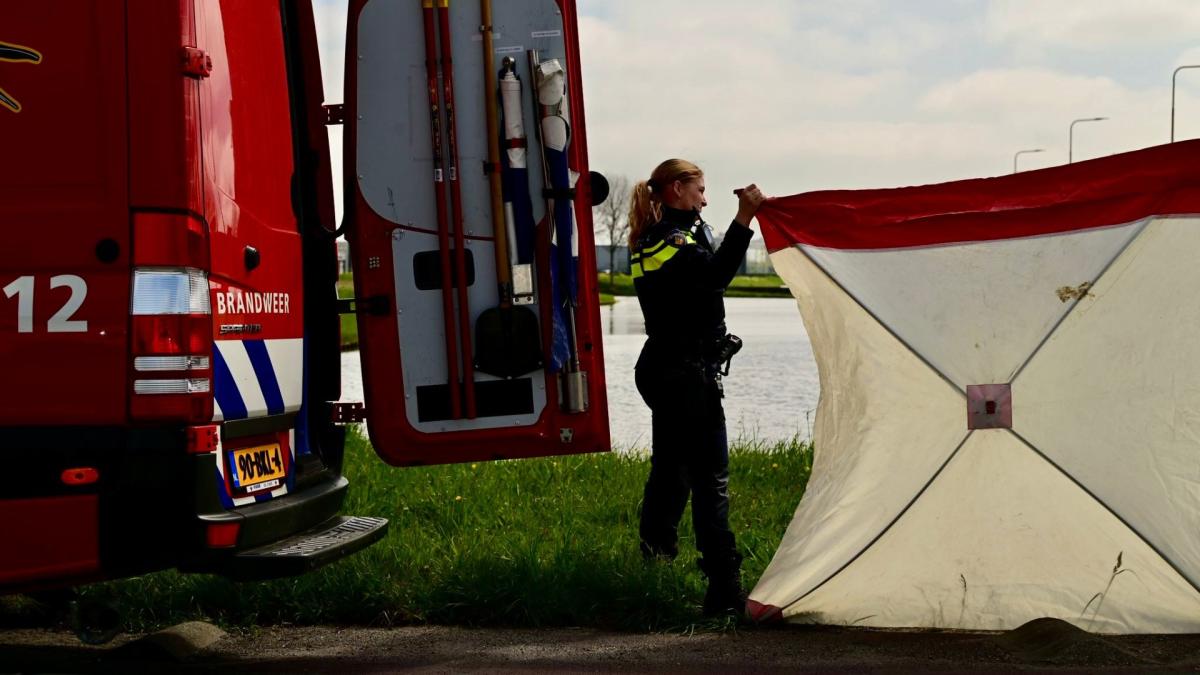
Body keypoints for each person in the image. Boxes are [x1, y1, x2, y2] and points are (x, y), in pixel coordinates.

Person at [627, 158, 765, 615]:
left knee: (672, 471)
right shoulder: (669, 241)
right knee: (711, 478)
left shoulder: (663, 237)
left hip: (667, 370)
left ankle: (655, 568)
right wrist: (745, 218)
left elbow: (707, 270)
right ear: (675, 190)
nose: (705, 199)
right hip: (684, 375)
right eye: (700, 190)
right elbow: (715, 276)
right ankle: (724, 592)